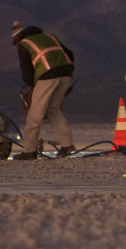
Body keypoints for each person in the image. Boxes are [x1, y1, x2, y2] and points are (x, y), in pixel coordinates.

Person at [10, 22, 77, 159]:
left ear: (17, 39)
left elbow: (26, 72)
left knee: (35, 114)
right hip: (66, 73)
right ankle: (67, 145)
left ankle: (29, 151)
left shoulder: (24, 44)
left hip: (48, 75)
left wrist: (34, 85)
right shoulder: (50, 36)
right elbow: (70, 54)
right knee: (54, 109)